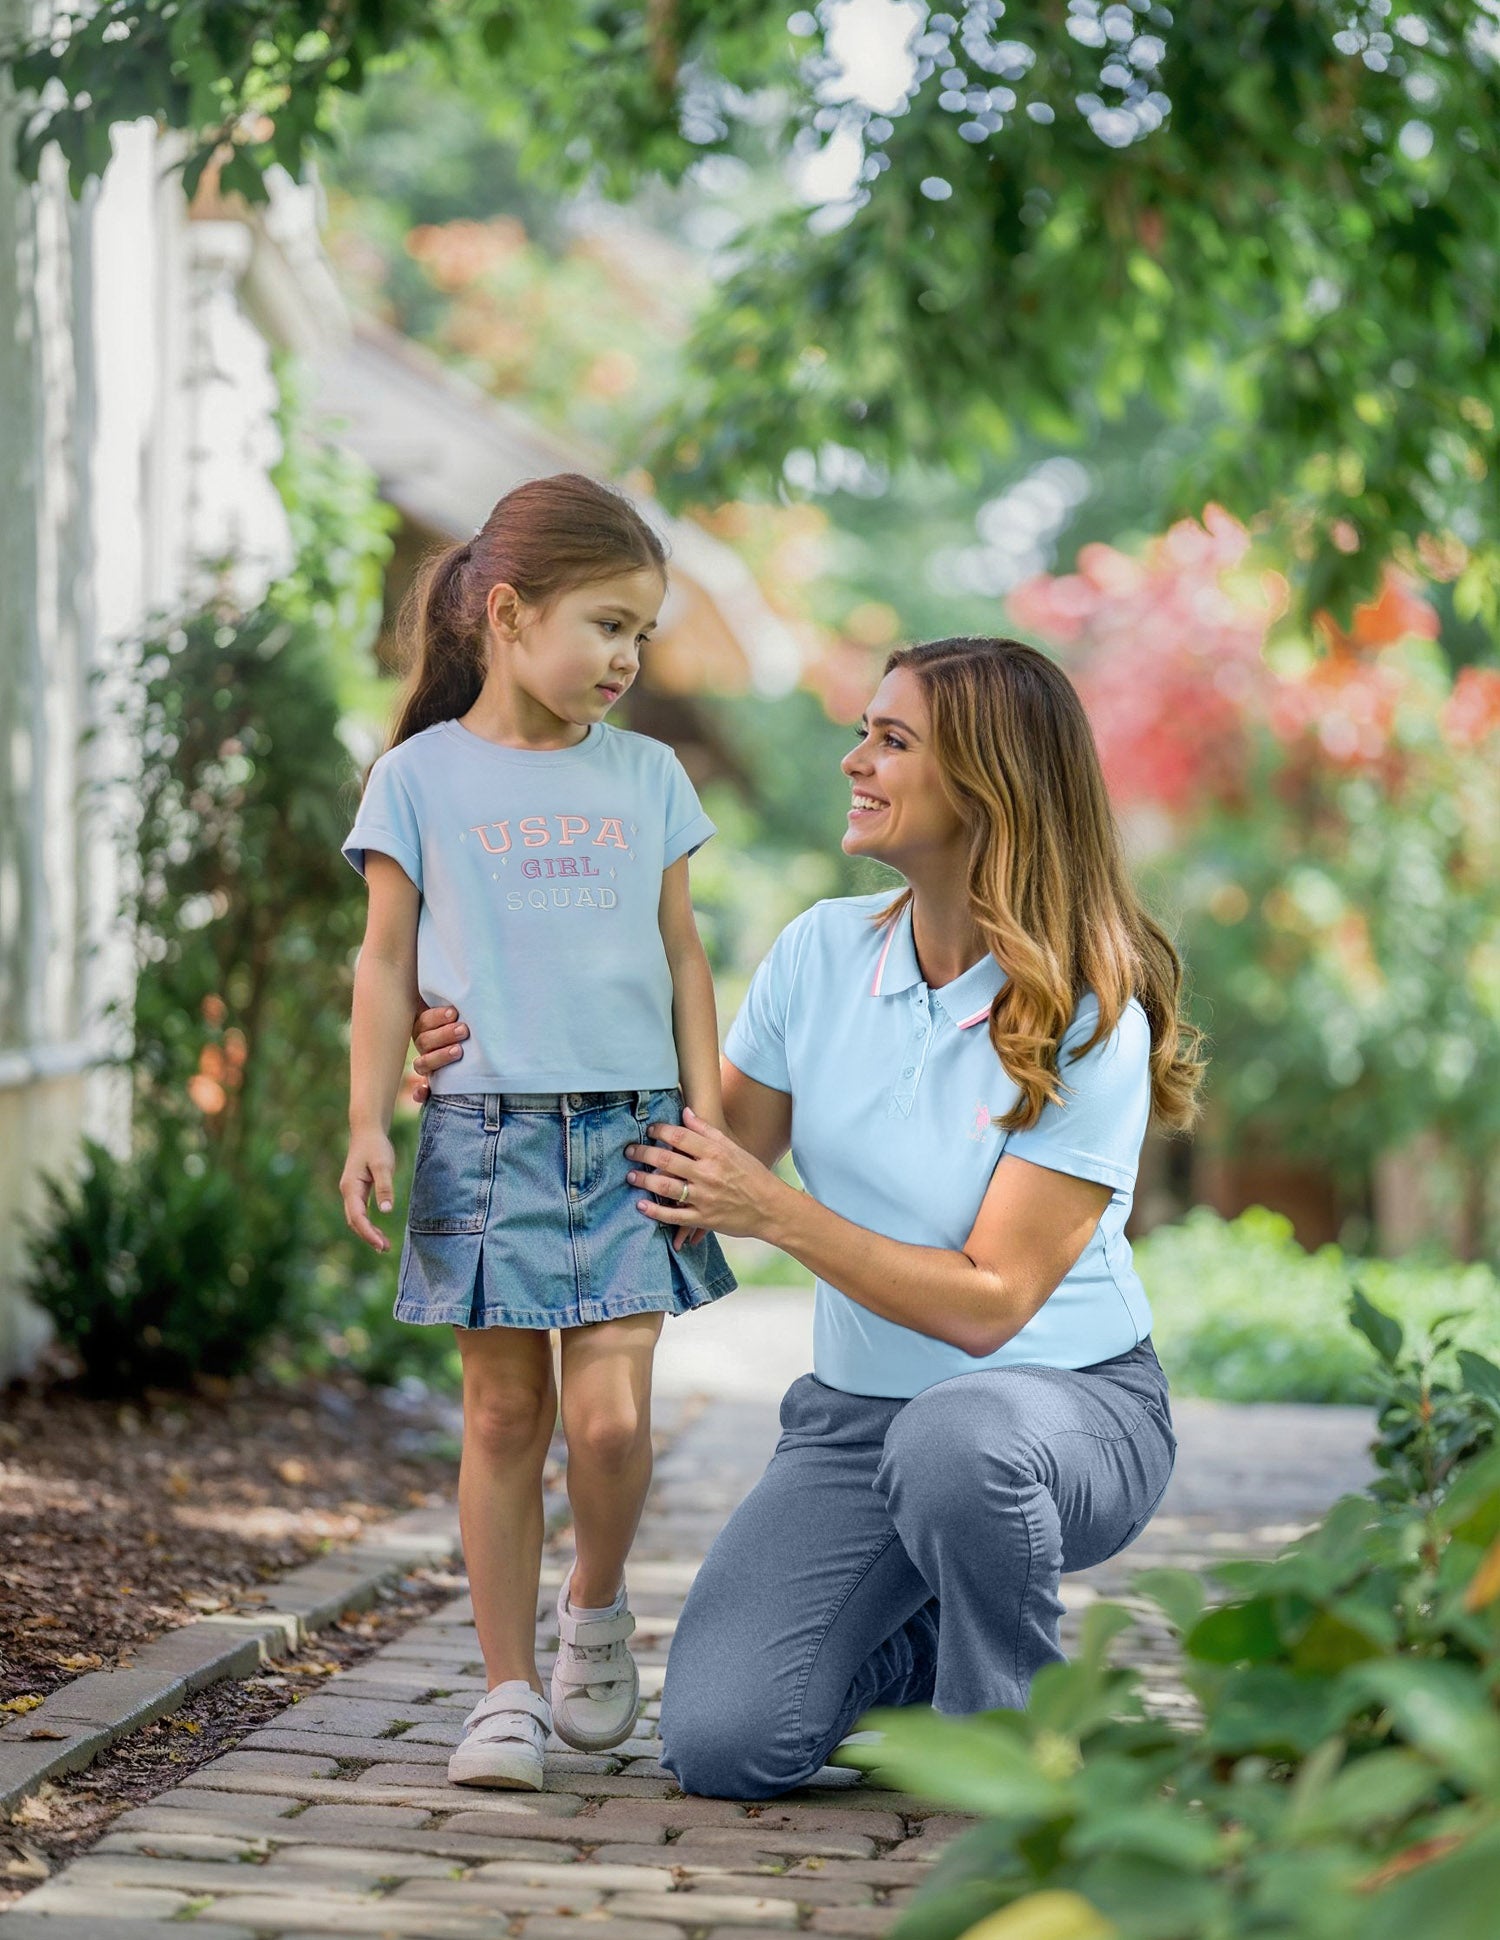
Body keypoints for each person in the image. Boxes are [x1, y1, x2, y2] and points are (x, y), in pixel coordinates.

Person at [411, 634, 1202, 1800]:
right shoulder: (821, 954)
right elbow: (688, 1158)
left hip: (1068, 1406)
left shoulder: (1091, 1014)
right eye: (862, 731)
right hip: (857, 1420)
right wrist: (492, 1059)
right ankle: (927, 1647)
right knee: (726, 1742)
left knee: (960, 1442)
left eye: (892, 740)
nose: (854, 761)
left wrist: (775, 1214)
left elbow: (993, 1304)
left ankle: (1013, 1736)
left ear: (987, 782)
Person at [339, 472, 736, 1793]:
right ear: (509, 615)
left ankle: (597, 1611)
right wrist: (370, 1119)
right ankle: (503, 1692)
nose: (626, 658)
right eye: (607, 624)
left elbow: (684, 957)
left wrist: (711, 1121)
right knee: (504, 1419)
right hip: (482, 1127)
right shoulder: (417, 777)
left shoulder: (651, 776)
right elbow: (386, 963)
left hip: (635, 1133)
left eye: (643, 634)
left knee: (612, 1426)